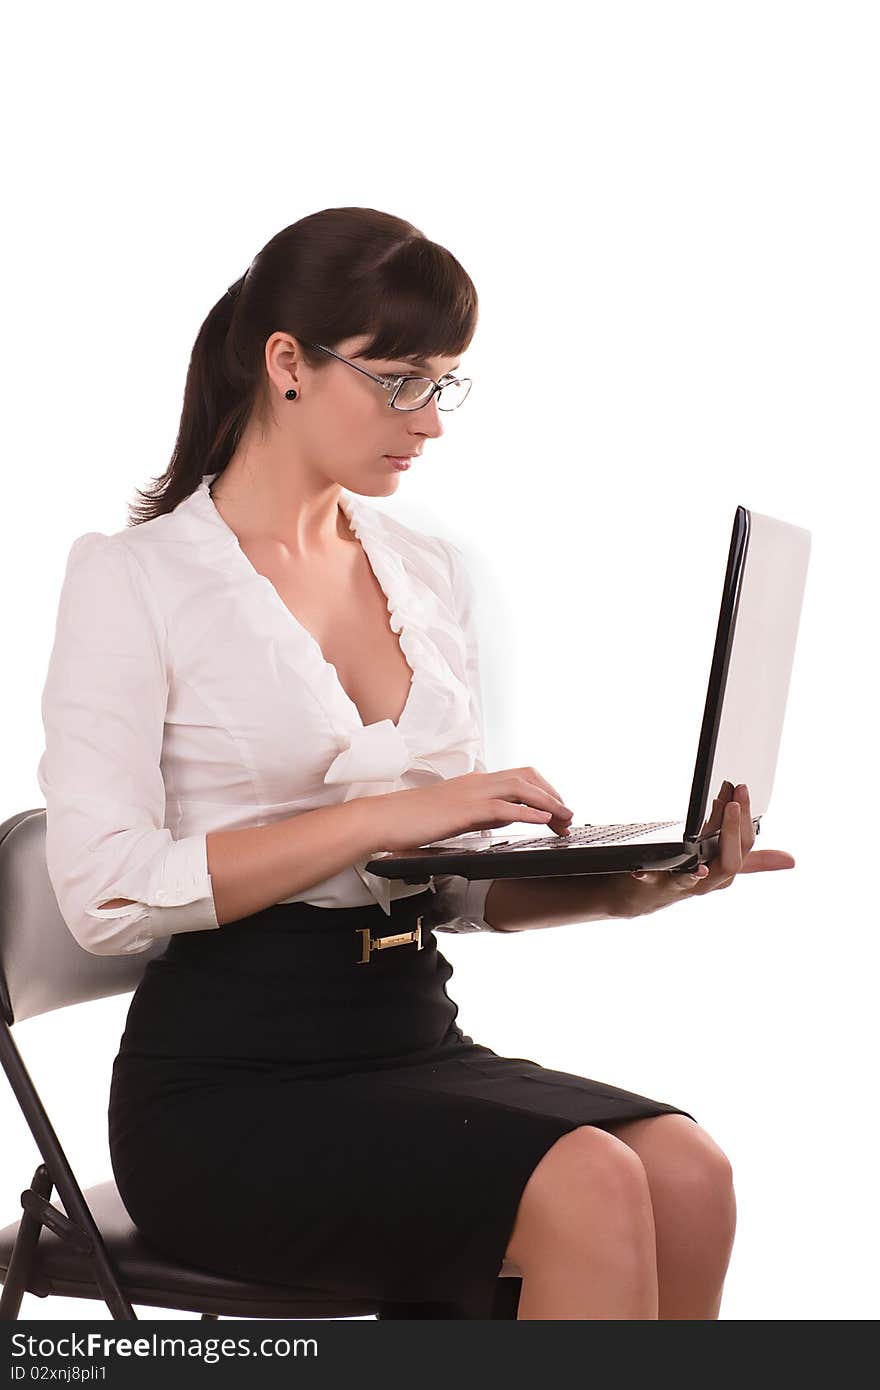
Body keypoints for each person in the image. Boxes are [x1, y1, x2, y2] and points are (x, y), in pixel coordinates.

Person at [37, 206, 795, 1320]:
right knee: (585, 1184)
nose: (429, 421)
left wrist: (636, 885)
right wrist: (378, 821)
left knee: (688, 1170)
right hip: (225, 1083)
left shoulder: (421, 571)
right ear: (285, 362)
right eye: (400, 380)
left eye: (444, 383)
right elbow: (101, 892)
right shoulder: (135, 578)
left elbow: (445, 883)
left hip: (404, 1034)